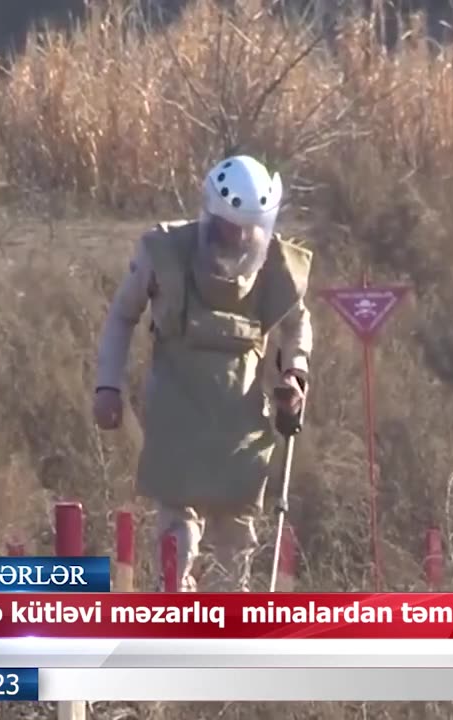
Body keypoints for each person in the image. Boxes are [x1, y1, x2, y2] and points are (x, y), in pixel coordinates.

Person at [92, 155, 313, 592]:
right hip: (178, 417)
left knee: (237, 548)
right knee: (179, 541)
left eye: (251, 226)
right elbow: (122, 316)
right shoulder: (166, 253)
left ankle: (236, 640)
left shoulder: (274, 265)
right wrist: (107, 384)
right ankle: (178, 630)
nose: (241, 236)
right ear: (212, 214)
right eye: (231, 225)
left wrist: (296, 374)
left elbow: (297, 321)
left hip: (241, 426)